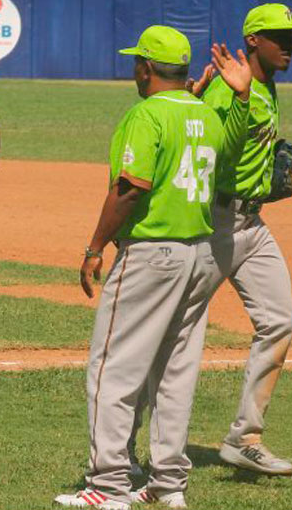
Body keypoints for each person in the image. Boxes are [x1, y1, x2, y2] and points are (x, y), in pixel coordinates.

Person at [53, 26, 251, 509]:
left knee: (112, 371)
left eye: (136, 62)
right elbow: (227, 154)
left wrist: (94, 246)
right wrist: (239, 99)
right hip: (199, 255)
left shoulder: (145, 114)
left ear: (145, 67)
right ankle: (168, 484)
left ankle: (108, 485)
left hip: (150, 255)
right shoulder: (203, 113)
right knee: (174, 373)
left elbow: (130, 188)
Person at [128, 3, 292, 478]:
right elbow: (200, 147)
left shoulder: (265, 86)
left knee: (279, 320)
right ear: (253, 40)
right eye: (279, 37)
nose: (289, 45)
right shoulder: (223, 89)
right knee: (168, 331)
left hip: (252, 225)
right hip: (214, 224)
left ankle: (244, 438)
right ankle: (122, 444)